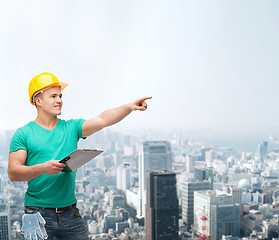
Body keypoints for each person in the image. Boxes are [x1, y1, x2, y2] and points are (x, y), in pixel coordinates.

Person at [8, 72, 151, 240]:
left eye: (60, 96)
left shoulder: (72, 128)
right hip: (37, 214)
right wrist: (44, 168)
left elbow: (103, 119)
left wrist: (129, 107)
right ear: (38, 101)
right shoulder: (23, 134)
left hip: (70, 213)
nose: (59, 100)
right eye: (53, 96)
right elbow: (13, 172)